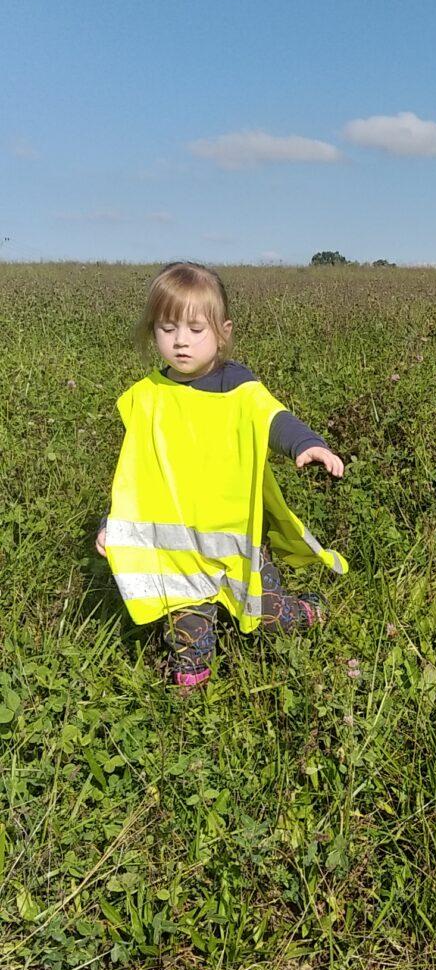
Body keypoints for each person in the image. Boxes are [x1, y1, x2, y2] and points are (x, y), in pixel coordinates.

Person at [95, 262, 347, 691]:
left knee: (266, 614)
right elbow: (135, 476)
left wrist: (307, 443)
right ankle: (191, 690)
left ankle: (303, 612)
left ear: (222, 331)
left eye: (195, 329)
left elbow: (272, 418)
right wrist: (112, 525)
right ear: (151, 331)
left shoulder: (238, 386)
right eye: (167, 328)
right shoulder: (147, 397)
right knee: (186, 627)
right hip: (178, 551)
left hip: (234, 538)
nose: (180, 341)